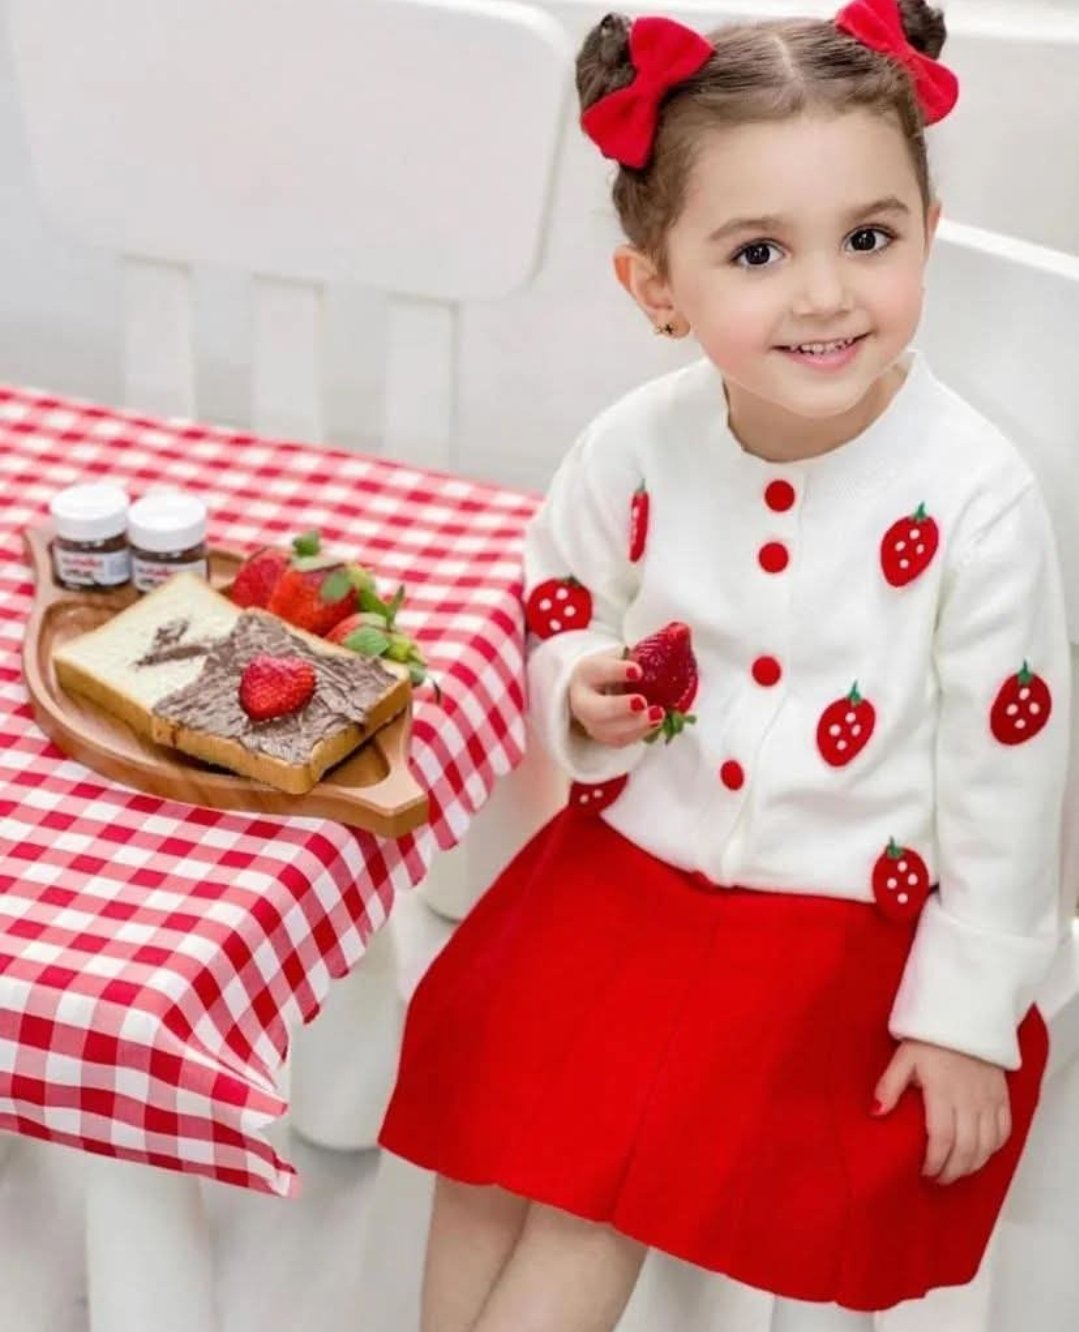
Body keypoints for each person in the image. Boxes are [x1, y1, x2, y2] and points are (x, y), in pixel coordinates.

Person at [378, 2, 1071, 1328]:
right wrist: (579, 681)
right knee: (486, 1128)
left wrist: (967, 1013)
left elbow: (1010, 777)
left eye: (869, 238)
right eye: (759, 251)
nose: (824, 294)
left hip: (835, 915)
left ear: (926, 232)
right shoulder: (636, 443)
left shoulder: (976, 501)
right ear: (658, 288)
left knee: (588, 1187)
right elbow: (559, 594)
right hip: (628, 867)